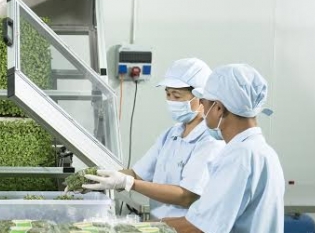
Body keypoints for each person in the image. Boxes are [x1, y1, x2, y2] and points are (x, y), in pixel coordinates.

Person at [162, 64, 285, 233]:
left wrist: (138, 230)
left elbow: (197, 228)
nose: (202, 109)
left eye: (204, 103)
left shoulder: (241, 156)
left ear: (218, 108)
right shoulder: (260, 151)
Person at [83, 58, 224, 219]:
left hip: (188, 229)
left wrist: (128, 183)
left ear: (201, 98)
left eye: (177, 96)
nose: (171, 101)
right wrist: (93, 179)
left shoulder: (210, 140)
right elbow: (137, 174)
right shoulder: (171, 135)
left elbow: (186, 196)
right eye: (168, 94)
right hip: (161, 226)